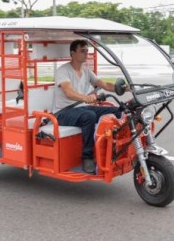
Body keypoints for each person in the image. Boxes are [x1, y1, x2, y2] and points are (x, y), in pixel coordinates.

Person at [52, 39, 122, 174]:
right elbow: (68, 92)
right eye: (82, 51)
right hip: (63, 113)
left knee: (117, 111)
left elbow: (104, 84)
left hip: (82, 108)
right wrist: (86, 98)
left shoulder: (87, 71)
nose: (86, 54)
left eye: (87, 51)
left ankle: (113, 149)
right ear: (73, 53)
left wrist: (125, 88)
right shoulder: (63, 70)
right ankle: (87, 156)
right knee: (89, 116)